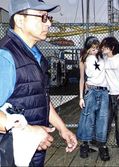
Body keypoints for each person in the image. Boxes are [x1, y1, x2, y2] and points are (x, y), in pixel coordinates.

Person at [0, 0, 77, 166]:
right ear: (20, 20)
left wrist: (62, 128)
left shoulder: (35, 55)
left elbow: (40, 98)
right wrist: (27, 131)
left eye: (49, 17)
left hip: (32, 151)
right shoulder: (5, 57)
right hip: (9, 155)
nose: (49, 23)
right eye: (42, 17)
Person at [77, 36, 110, 161]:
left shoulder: (103, 57)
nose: (94, 51)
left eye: (96, 48)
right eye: (91, 49)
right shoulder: (83, 59)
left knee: (103, 118)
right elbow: (81, 79)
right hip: (91, 91)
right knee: (87, 117)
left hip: (104, 91)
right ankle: (85, 144)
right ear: (87, 49)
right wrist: (81, 97)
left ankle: (102, 145)